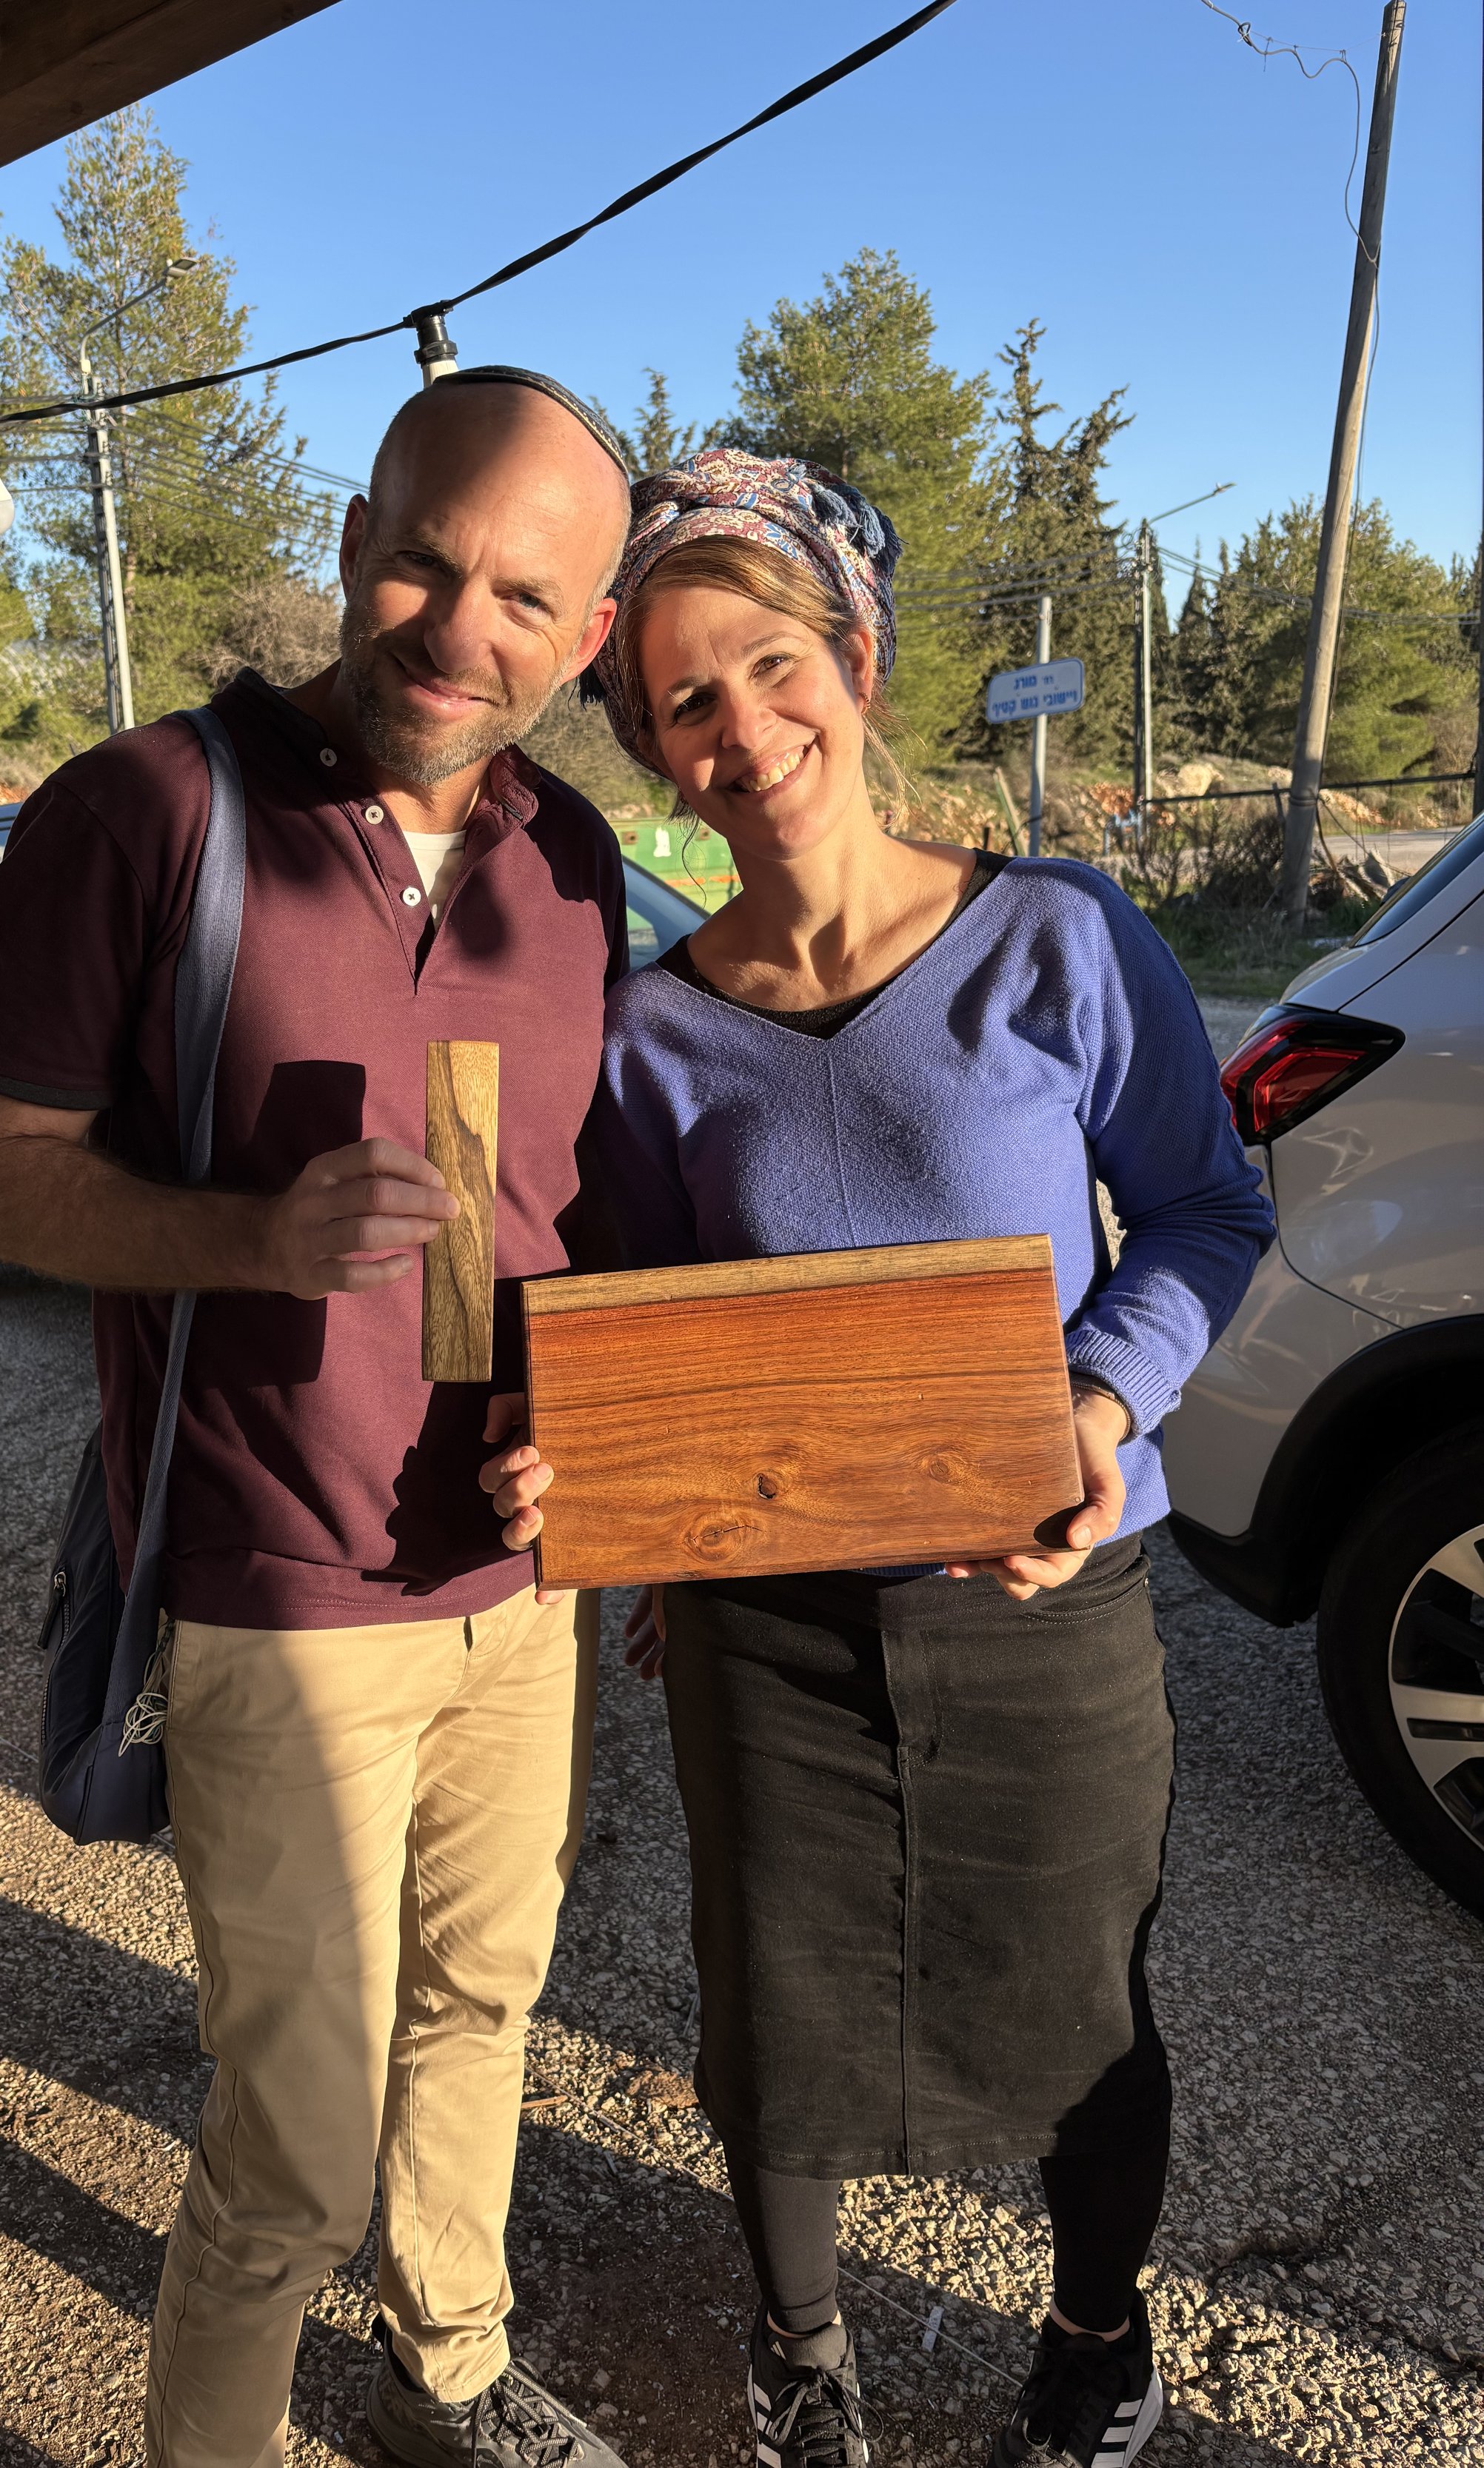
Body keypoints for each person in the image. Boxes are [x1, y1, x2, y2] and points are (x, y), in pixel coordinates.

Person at [479, 449, 1274, 2468]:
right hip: (769, 1634)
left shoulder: (1061, 943)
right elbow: (645, 1326)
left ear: (852, 654)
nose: (742, 729)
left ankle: (1093, 2340)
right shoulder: (650, 1037)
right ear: (649, 749)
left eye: (768, 664)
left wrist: (1097, 1415)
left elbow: (1201, 1214)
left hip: (1047, 1600)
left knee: (1084, 2003)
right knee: (777, 2015)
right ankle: (798, 2353)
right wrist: (617, 1506)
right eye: (683, 701)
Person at [0, 370, 639, 2468]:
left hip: (515, 1580)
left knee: (483, 2013)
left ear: (585, 635)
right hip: (275, 1596)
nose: (456, 626)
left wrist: (592, 1429)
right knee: (295, 2146)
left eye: (524, 593)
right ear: (351, 537)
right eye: (422, 559)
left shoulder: (577, 862)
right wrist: (254, 1238)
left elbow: (577, 1214)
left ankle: (454, 2371)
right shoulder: (153, 809)